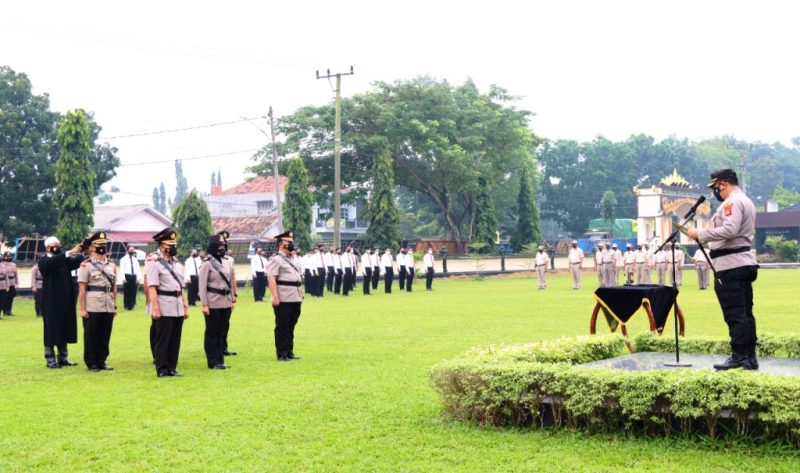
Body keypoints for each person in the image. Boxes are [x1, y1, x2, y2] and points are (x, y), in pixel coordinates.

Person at [688, 169, 759, 370]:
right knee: (745, 313)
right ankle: (749, 356)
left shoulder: (732, 202)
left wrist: (700, 234)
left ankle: (739, 356)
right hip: (742, 262)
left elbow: (730, 230)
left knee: (734, 313)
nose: (716, 192)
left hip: (731, 265)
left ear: (724, 183)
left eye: (716, 187)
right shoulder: (746, 200)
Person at [146, 227, 190, 378]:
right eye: (170, 245)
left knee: (175, 339)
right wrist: (155, 309)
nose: (173, 247)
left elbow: (182, 287)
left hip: (177, 304)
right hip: (163, 304)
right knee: (163, 339)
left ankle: (172, 367)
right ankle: (162, 369)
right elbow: (152, 287)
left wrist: (185, 306)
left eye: (174, 244)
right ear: (162, 246)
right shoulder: (153, 261)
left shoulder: (176, 263)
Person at [38, 236, 85, 368]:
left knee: (64, 328)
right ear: (48, 247)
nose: (58, 247)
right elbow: (52, 263)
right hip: (51, 302)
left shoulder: (62, 260)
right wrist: (69, 252)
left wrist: (83, 251)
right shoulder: (44, 260)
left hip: (65, 301)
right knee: (51, 330)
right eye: (55, 245)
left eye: (59, 244)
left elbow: (76, 262)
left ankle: (63, 357)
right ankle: (50, 359)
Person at [77, 232, 117, 371]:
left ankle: (102, 360)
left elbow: (114, 287)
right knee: (91, 334)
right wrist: (82, 308)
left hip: (108, 303)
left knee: (105, 334)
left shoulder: (111, 264)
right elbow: (82, 288)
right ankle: (91, 361)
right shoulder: (85, 265)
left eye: (104, 244)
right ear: (92, 247)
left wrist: (115, 305)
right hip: (93, 304)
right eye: (99, 244)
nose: (102, 247)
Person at [199, 233, 237, 370]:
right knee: (212, 332)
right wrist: (204, 304)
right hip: (213, 301)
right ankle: (212, 361)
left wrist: (232, 299)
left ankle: (220, 360)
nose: (222, 248)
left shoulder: (227, 261)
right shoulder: (207, 263)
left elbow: (230, 282)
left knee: (222, 332)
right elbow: (202, 286)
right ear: (213, 246)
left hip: (225, 301)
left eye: (223, 245)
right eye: (219, 245)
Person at [267, 230, 304, 361]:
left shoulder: (292, 259)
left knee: (291, 326)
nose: (291, 244)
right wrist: (275, 296)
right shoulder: (276, 259)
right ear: (281, 244)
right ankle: (282, 353)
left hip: (295, 296)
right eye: (288, 242)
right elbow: (272, 278)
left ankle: (289, 351)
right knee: (282, 326)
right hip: (284, 297)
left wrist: (301, 294)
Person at [119, 245, 141, 311]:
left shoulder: (135, 259)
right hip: (127, 276)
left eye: (133, 250)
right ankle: (126, 306)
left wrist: (138, 278)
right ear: (127, 250)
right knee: (127, 292)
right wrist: (123, 278)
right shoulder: (123, 259)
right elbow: (122, 269)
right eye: (130, 250)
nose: (132, 251)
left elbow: (138, 269)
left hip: (134, 276)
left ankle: (132, 305)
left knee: (133, 292)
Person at [0, 251, 19, 316]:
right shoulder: (2, 264)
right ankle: (4, 311)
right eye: (7, 256)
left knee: (11, 297)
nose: (8, 257)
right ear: (4, 257)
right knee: (4, 298)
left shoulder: (13, 264)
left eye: (9, 256)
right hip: (5, 284)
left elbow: (16, 274)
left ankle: (9, 310)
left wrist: (17, 282)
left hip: (12, 283)